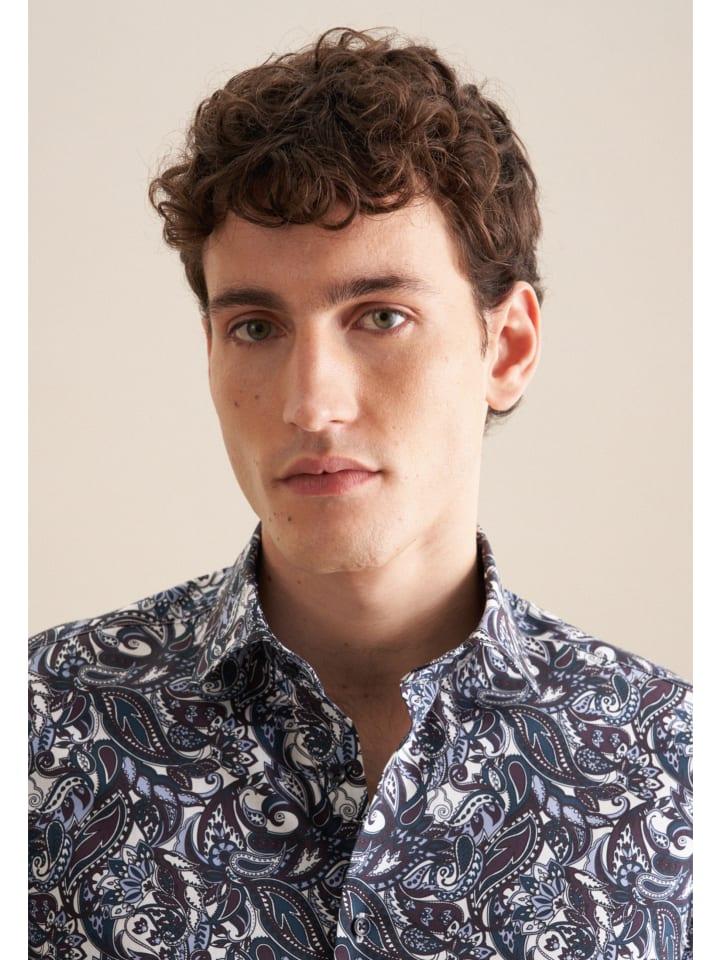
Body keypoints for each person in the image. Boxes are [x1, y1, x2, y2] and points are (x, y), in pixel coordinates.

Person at [29, 26, 692, 960]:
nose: (310, 404)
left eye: (381, 316)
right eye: (256, 327)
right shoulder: (41, 727)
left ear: (506, 347)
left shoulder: (673, 764)